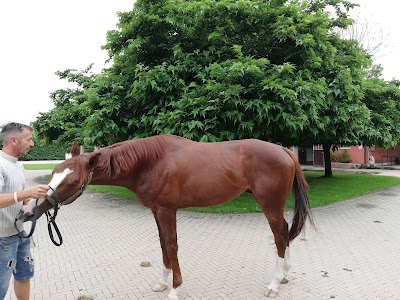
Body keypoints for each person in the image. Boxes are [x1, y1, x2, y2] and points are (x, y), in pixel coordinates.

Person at [0, 122, 50, 300]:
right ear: (14, 140)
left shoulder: (19, 166)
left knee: (24, 275)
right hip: (2, 239)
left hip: (20, 233)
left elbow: (16, 196)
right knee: (1, 285)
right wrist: (25, 193)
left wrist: (29, 200)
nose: (32, 144)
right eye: (29, 139)